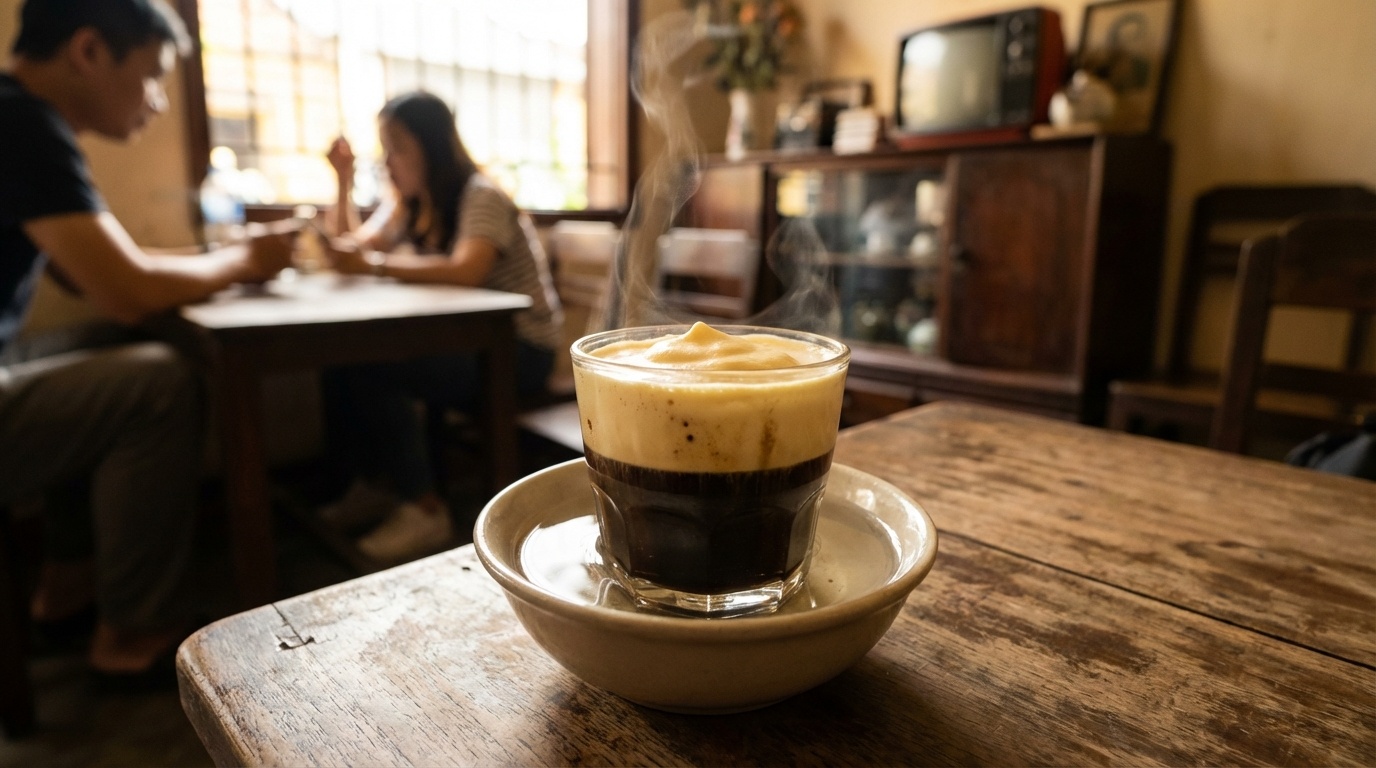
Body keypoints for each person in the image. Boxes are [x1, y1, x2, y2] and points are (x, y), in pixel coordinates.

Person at [0, 0, 296, 687]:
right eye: (155, 74)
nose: (160, 101)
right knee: (156, 381)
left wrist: (213, 261)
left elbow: (89, 278)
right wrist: (243, 262)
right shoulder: (22, 123)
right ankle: (130, 631)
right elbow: (128, 286)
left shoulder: (18, 117)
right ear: (89, 51)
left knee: (104, 348)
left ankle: (66, 586)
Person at [320, 91, 563, 564]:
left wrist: (373, 265)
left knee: (373, 369)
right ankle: (373, 485)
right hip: (465, 346)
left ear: (431, 146)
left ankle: (424, 508)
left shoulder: (481, 195)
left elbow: (465, 269)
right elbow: (353, 252)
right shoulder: (410, 203)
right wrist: (344, 181)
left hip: (522, 350)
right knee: (339, 363)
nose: (388, 161)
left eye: (398, 147)